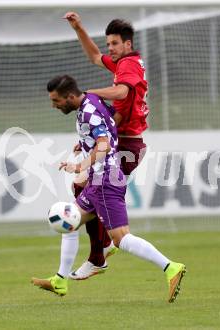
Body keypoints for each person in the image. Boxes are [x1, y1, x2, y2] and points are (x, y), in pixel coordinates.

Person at [31, 75, 186, 303]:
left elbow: (103, 143)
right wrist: (85, 142)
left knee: (121, 239)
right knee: (70, 221)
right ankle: (60, 279)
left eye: (56, 101)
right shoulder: (92, 100)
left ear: (71, 97)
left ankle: (171, 267)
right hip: (99, 179)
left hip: (106, 181)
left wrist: (80, 164)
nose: (54, 105)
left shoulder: (87, 112)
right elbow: (110, 124)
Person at [64, 12, 149, 279]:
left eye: (113, 44)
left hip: (126, 145)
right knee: (83, 188)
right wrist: (78, 28)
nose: (109, 49)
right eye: (108, 43)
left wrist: (90, 94)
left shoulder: (129, 65)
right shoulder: (122, 63)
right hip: (122, 143)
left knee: (87, 190)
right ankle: (101, 250)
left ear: (127, 44)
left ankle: (98, 255)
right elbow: (93, 57)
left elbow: (122, 92)